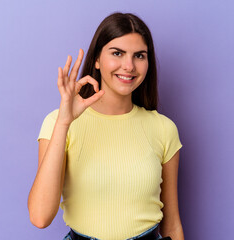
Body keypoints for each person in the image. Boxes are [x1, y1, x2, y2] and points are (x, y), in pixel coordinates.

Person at [28, 12, 184, 240]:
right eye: (117, 53)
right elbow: (40, 217)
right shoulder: (58, 122)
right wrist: (64, 122)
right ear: (97, 60)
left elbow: (172, 225)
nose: (129, 66)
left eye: (139, 55)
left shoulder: (163, 129)